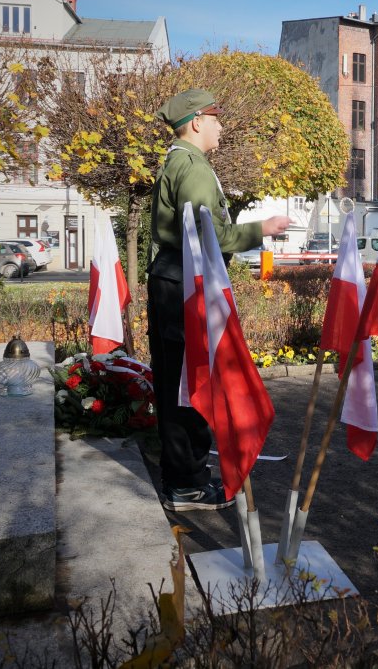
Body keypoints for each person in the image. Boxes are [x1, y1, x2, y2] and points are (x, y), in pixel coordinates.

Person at [147, 89, 291, 511]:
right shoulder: (192, 168)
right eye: (215, 118)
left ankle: (183, 477)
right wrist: (263, 228)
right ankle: (187, 484)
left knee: (179, 380)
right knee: (189, 384)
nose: (221, 126)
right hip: (184, 282)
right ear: (195, 122)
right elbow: (209, 235)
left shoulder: (180, 162)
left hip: (174, 278)